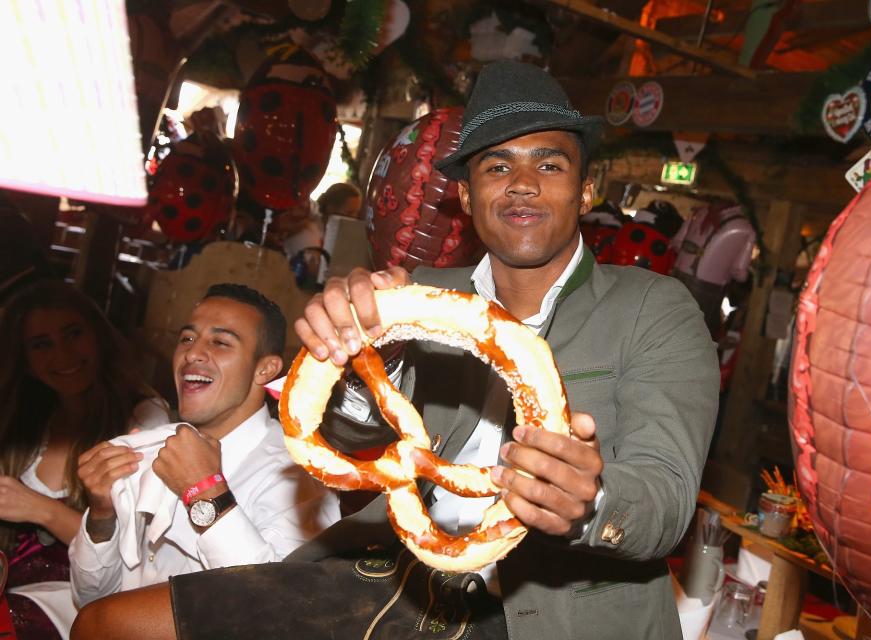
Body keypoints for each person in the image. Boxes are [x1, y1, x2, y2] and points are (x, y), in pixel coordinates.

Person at [71, 61, 718, 640]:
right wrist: (352, 359)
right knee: (105, 624)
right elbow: (349, 449)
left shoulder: (652, 311)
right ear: (465, 197)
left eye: (547, 164)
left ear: (584, 189)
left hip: (550, 607)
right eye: (496, 166)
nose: (521, 184)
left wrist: (590, 501)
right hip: (394, 573)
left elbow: (664, 501)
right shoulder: (417, 296)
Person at [68, 284, 340, 608]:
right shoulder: (152, 447)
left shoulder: (298, 474)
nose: (192, 353)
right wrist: (102, 514)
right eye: (187, 338)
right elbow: (90, 598)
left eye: (220, 342)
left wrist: (204, 492)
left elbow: (277, 609)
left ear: (264, 369)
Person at [0, 279, 171, 638]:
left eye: (73, 334)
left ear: (98, 337)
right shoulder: (24, 418)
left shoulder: (143, 418)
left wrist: (40, 509)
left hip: (80, 605)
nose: (62, 355)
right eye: (42, 344)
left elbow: (135, 552)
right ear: (27, 361)